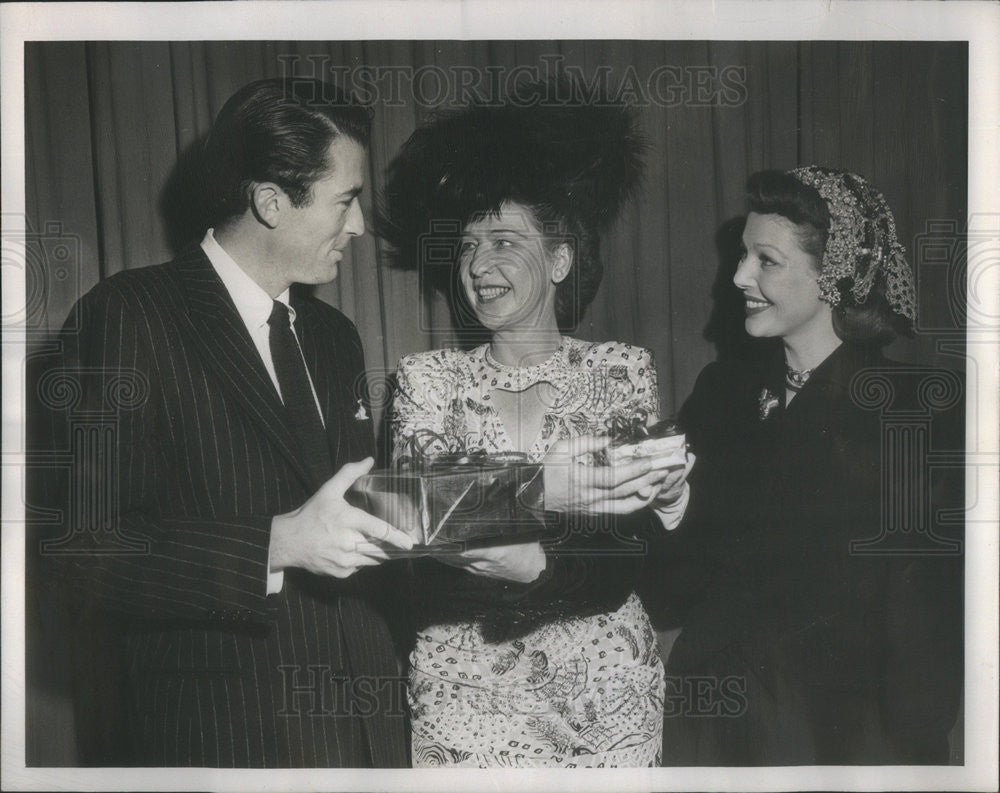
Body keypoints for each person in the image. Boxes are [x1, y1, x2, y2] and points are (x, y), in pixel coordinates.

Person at [48, 78, 414, 767]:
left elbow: (351, 525)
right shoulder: (130, 314)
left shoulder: (336, 337)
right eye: (346, 200)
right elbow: (86, 553)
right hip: (230, 740)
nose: (361, 226)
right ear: (271, 202)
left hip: (368, 740)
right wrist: (274, 544)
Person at [378, 87, 693, 767]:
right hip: (465, 691)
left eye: (503, 242)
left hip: (607, 689)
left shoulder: (621, 370)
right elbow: (413, 513)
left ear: (558, 260)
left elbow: (624, 543)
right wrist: (555, 497)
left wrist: (535, 561)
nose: (477, 266)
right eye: (466, 247)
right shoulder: (424, 380)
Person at [659, 166, 964, 764]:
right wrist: (670, 510)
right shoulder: (722, 391)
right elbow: (675, 584)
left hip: (845, 738)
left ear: (836, 276)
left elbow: (926, 620)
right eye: (742, 256)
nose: (739, 276)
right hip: (714, 723)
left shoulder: (917, 409)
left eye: (765, 260)